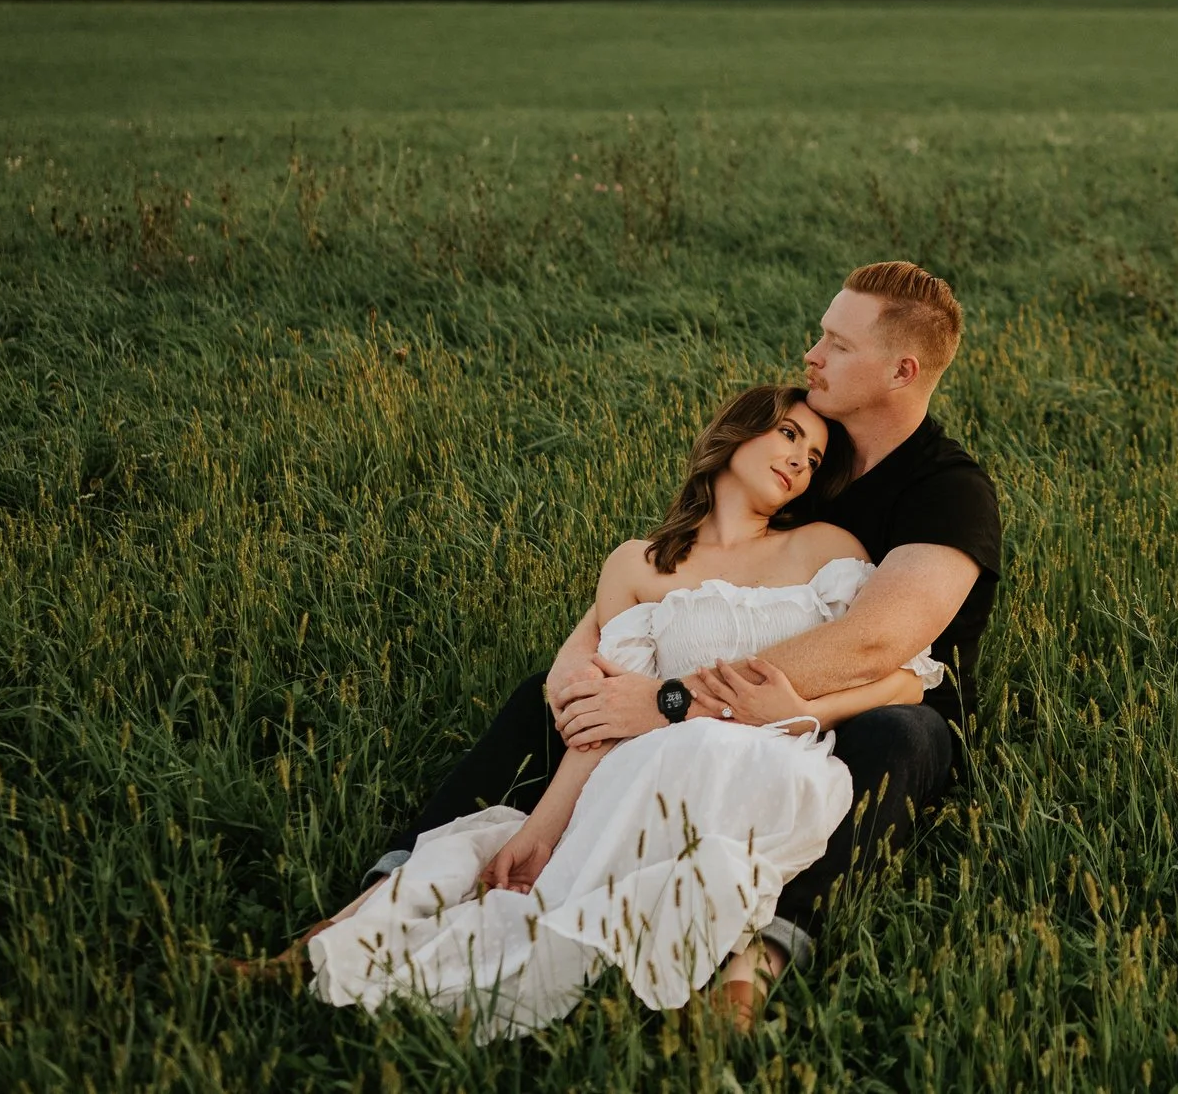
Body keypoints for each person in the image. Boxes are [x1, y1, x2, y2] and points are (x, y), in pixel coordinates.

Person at [345, 261, 1000, 1019]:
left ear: (902, 369)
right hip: (731, 688)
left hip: (875, 703)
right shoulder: (808, 453)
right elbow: (689, 570)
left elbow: (873, 642)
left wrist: (673, 698)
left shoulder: (947, 490)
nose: (811, 354)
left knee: (894, 737)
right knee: (549, 701)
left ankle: (759, 956)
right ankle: (384, 895)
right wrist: (581, 651)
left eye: (835, 343)